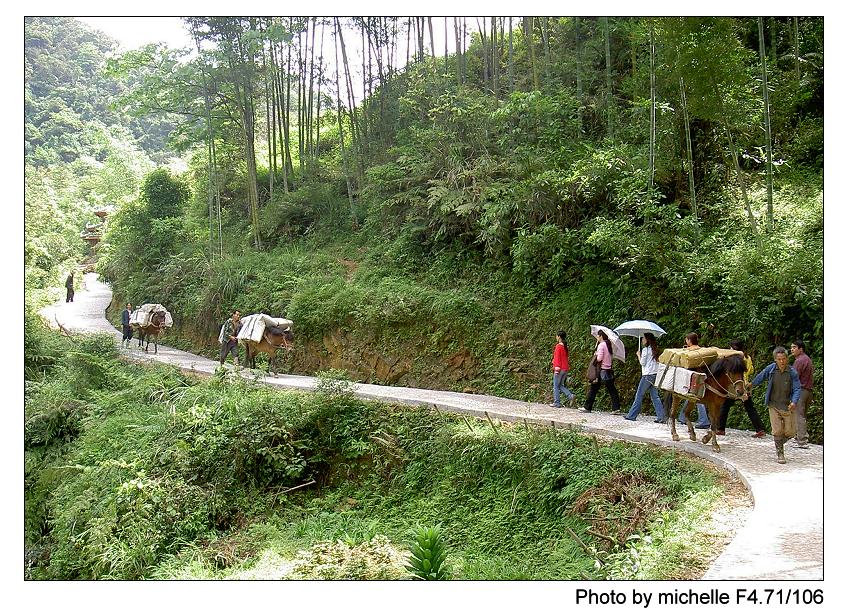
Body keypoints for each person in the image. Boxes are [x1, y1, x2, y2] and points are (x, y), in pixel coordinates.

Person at [750, 346, 801, 464]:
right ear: (775, 360)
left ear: (787, 359)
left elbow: (797, 388)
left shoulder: (792, 372)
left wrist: (794, 401)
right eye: (779, 359)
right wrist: (751, 385)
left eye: (784, 359)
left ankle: (778, 442)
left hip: (787, 406)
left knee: (790, 432)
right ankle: (780, 454)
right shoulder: (771, 369)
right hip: (773, 405)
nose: (782, 361)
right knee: (777, 430)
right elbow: (761, 376)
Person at [716, 340, 767, 438]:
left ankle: (720, 429)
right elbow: (751, 370)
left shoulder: (733, 359)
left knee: (725, 406)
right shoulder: (747, 358)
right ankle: (760, 429)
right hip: (745, 385)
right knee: (749, 407)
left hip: (735, 386)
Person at [624, 332, 666, 422]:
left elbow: (642, 363)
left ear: (647, 340)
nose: (642, 340)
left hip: (647, 375)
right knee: (655, 396)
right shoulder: (655, 349)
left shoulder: (646, 350)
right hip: (655, 374)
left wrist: (638, 355)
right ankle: (661, 417)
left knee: (639, 395)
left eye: (643, 338)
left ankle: (632, 415)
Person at [580, 329, 621, 413]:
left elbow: (599, 359)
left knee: (594, 389)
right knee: (612, 389)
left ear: (601, 336)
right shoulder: (609, 345)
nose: (597, 337)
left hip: (601, 371)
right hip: (608, 370)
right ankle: (616, 408)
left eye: (598, 336)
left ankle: (587, 407)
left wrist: (596, 354)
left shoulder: (601, 345)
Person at [790, 340, 814, 449]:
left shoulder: (799, 361)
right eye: (791, 347)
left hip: (801, 390)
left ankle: (802, 440)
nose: (792, 349)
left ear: (801, 349)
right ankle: (799, 436)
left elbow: (794, 377)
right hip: (808, 391)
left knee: (798, 415)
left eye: (794, 347)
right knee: (802, 414)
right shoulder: (807, 359)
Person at [551, 331, 576, 408]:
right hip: (565, 368)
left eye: (556, 336)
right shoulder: (565, 346)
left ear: (559, 337)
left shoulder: (558, 346)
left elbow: (557, 358)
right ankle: (570, 396)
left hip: (559, 368)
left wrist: (556, 369)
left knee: (555, 386)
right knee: (560, 385)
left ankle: (557, 402)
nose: (556, 337)